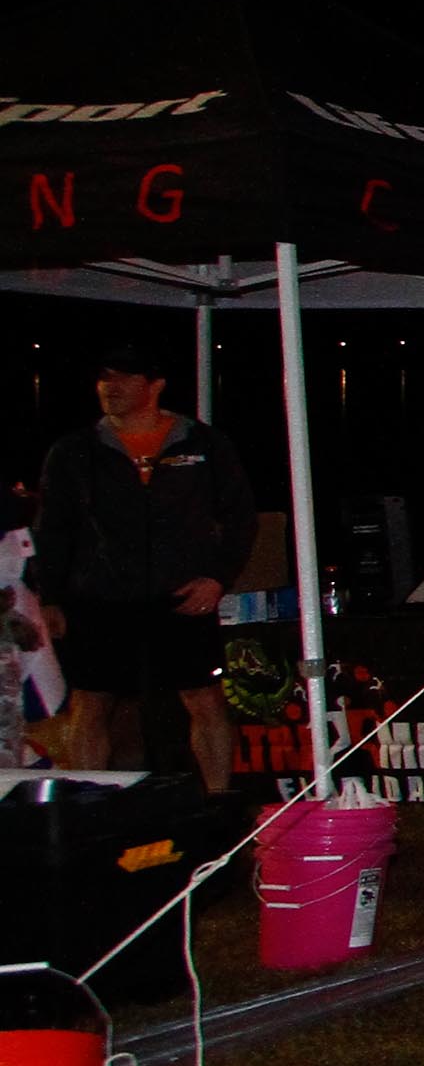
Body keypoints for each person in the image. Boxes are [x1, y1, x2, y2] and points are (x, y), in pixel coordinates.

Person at [33, 335, 258, 792]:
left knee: (204, 699)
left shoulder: (202, 443)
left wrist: (217, 578)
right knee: (91, 703)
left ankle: (219, 801)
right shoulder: (75, 451)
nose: (110, 386)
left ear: (155, 384)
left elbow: (240, 517)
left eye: (123, 376)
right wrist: (50, 597)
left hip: (181, 596)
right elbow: (52, 528)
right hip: (100, 598)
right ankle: (89, 804)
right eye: (104, 377)